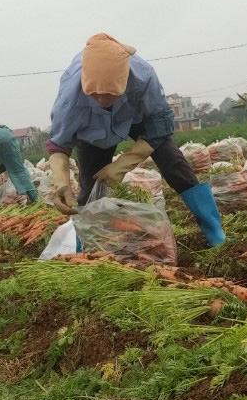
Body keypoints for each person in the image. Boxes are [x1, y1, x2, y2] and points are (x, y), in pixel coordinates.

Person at [44, 33, 225, 246]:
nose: (102, 100)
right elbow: (59, 142)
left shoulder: (144, 76)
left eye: (110, 94)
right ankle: (88, 246)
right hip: (93, 130)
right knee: (91, 186)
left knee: (174, 163)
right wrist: (61, 182)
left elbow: (161, 123)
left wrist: (124, 163)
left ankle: (215, 232)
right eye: (94, 95)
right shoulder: (70, 95)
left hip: (135, 117)